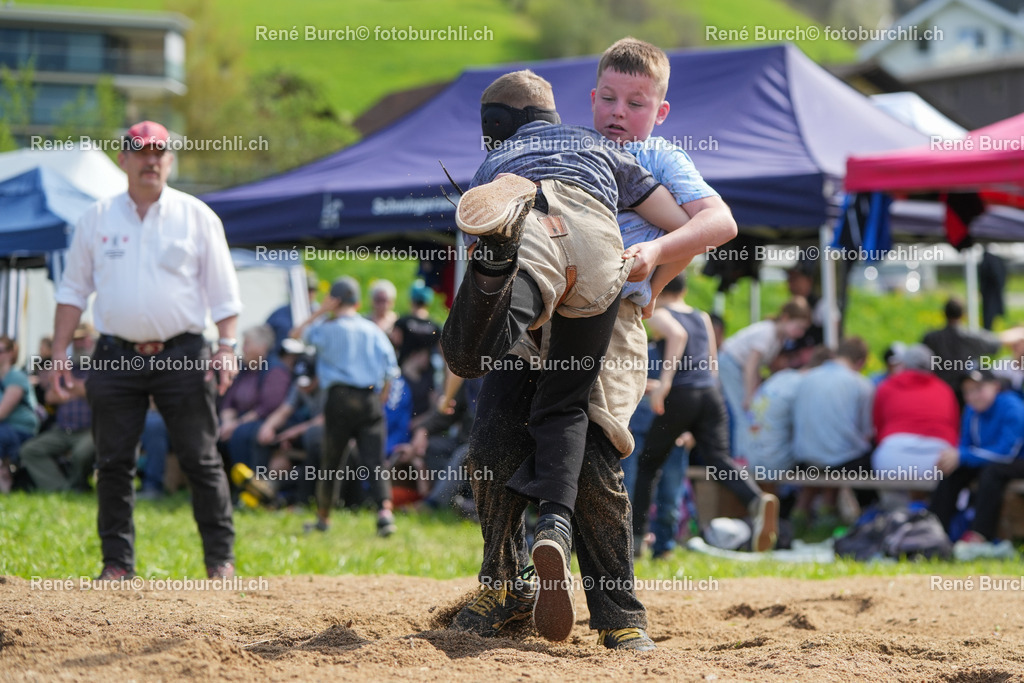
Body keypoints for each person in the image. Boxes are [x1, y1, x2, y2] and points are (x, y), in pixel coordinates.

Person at [447, 41, 736, 649]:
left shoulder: (658, 154)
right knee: (493, 439)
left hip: (615, 314)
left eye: (635, 103)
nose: (618, 112)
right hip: (539, 306)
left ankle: (619, 614)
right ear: (591, 98)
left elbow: (716, 223)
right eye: (608, 98)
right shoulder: (576, 146)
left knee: (593, 452)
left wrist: (656, 264)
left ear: (660, 112)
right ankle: (505, 585)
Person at [52, 120, 241, 581]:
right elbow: (72, 291)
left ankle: (220, 562)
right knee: (113, 462)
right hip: (115, 354)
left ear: (170, 160)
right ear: (123, 159)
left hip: (184, 352)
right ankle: (117, 564)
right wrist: (58, 354)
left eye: (159, 152)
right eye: (141, 151)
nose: (151, 160)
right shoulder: (96, 217)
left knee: (200, 458)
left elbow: (224, 294)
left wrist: (227, 347)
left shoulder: (197, 216)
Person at [632, 274, 779, 555]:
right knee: (719, 459)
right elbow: (712, 364)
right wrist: (692, 419)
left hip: (681, 394)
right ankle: (756, 499)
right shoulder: (702, 317)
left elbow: (677, 335)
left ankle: (636, 540)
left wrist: (664, 384)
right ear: (685, 289)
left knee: (648, 464)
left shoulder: (659, 312)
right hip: (710, 395)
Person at [293, 276, 399, 536]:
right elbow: (391, 369)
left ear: (334, 301)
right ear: (358, 303)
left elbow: (295, 335)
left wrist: (320, 311)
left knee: (332, 460)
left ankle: (323, 518)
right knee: (375, 460)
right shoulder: (373, 329)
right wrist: (381, 397)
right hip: (369, 397)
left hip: (338, 398)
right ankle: (384, 513)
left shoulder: (326, 329)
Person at [931, 366, 1024, 560]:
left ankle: (980, 535)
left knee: (991, 472)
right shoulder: (971, 410)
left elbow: (1007, 453)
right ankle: (935, 530)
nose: (972, 396)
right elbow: (965, 445)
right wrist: (953, 458)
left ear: (995, 386)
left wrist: (962, 455)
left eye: (978, 389)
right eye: (967, 391)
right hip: (991, 461)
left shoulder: (1012, 406)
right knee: (954, 470)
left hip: (1016, 461)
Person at [791, 336, 875, 528]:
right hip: (839, 461)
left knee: (828, 459)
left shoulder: (805, 378)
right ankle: (834, 517)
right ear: (861, 362)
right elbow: (866, 431)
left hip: (804, 456)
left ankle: (800, 519)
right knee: (849, 454)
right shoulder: (861, 384)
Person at [718, 301, 811, 460]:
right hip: (730, 364)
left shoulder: (778, 339)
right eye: (798, 327)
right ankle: (741, 457)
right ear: (785, 318)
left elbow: (759, 369)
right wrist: (748, 396)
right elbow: (750, 366)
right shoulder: (767, 333)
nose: (800, 333)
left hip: (738, 367)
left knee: (746, 412)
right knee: (742, 413)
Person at [20, 323, 96, 492]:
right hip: (62, 430)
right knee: (30, 450)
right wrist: (81, 389)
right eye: (75, 339)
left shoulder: (102, 365)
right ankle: (61, 488)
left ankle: (77, 486)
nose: (79, 343)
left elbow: (98, 393)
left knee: (82, 453)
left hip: (90, 430)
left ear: (92, 340)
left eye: (83, 339)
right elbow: (51, 396)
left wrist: (69, 388)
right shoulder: (65, 365)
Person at [871, 343, 959, 478]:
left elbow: (878, 426)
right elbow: (954, 426)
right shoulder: (945, 389)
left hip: (893, 459)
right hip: (937, 459)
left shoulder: (886, 386)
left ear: (904, 365)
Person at [217, 325, 292, 472]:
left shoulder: (275, 369)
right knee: (213, 429)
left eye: (247, 344)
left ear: (262, 347)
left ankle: (247, 480)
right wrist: (227, 422)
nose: (243, 349)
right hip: (240, 418)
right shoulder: (243, 368)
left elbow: (266, 408)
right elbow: (228, 401)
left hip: (265, 420)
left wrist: (235, 425)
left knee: (241, 434)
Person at [922, 297, 1001, 400]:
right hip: (964, 391)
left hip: (940, 389)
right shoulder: (972, 336)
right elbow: (994, 344)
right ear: (963, 314)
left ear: (944, 314)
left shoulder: (931, 338)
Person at [0, 336, 40, 493]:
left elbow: (2, 412)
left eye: (0, 351)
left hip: (21, 429)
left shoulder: (16, 377)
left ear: (11, 353)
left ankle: (5, 477)